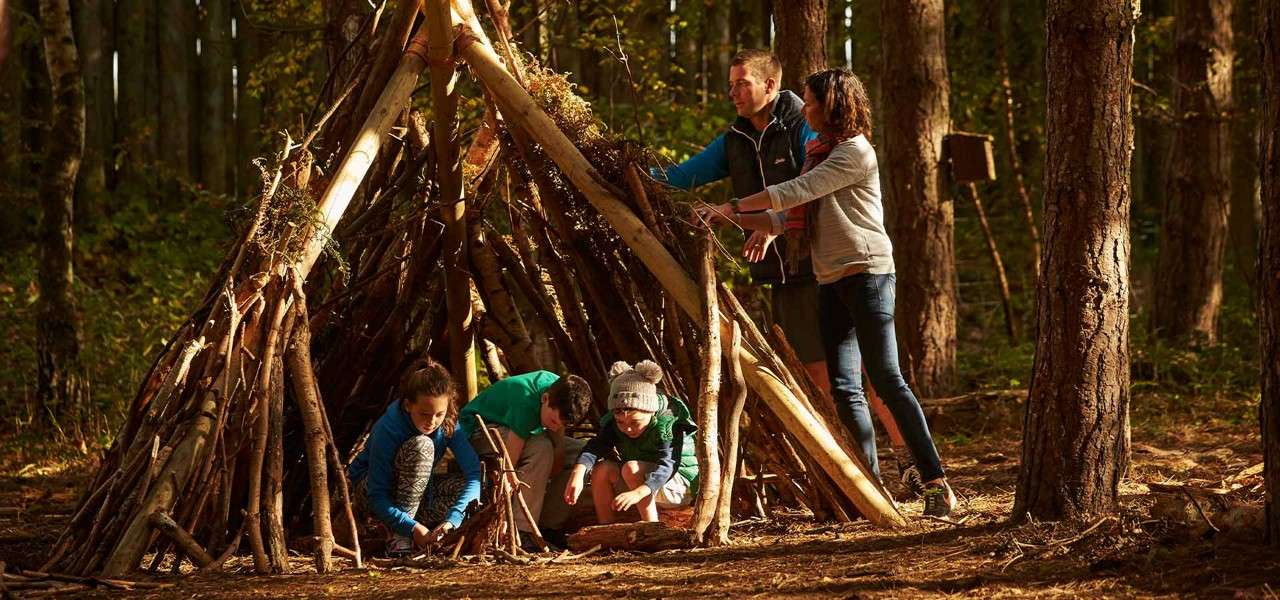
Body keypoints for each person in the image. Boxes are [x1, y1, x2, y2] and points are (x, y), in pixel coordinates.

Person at [657, 49, 925, 498]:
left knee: (874, 376)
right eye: (731, 84)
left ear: (769, 85)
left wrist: (765, 224)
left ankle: (911, 464)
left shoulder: (807, 126)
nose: (733, 93)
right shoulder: (737, 139)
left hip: (826, 263)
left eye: (742, 83)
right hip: (787, 274)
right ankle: (865, 477)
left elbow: (807, 188)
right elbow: (682, 175)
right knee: (826, 381)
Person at [347, 360, 482, 556]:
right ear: (408, 405)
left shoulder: (450, 422)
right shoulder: (389, 427)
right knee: (422, 446)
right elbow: (377, 495)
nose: (432, 422)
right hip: (374, 497)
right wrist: (410, 529)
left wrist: (452, 521)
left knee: (478, 491)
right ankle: (400, 537)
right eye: (425, 414)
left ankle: (429, 531)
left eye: (439, 414)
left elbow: (474, 475)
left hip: (419, 494)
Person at [457, 370, 592, 545]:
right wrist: (505, 501)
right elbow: (509, 464)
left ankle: (547, 525)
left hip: (519, 430)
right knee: (542, 448)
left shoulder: (561, 393)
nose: (557, 427)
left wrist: (560, 451)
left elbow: (557, 437)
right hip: (479, 431)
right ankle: (522, 530)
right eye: (553, 422)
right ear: (545, 399)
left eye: (562, 424)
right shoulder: (526, 399)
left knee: (581, 454)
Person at [564, 361, 697, 524]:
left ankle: (651, 528)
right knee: (601, 470)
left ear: (651, 411)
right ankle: (607, 528)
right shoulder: (616, 425)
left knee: (631, 468)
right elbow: (595, 447)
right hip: (640, 482)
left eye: (635, 422)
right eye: (621, 422)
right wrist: (578, 472)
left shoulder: (667, 424)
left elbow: (668, 466)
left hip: (676, 485)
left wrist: (638, 493)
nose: (627, 429)